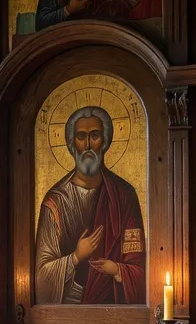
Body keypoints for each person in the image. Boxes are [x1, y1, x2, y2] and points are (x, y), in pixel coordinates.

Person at [34, 106, 146, 304]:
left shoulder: (124, 195)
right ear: (71, 144)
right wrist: (76, 257)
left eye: (94, 136)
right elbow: (41, 277)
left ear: (104, 142)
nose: (87, 145)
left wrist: (117, 269)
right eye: (80, 137)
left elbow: (137, 267)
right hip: (67, 313)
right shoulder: (55, 201)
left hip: (114, 311)